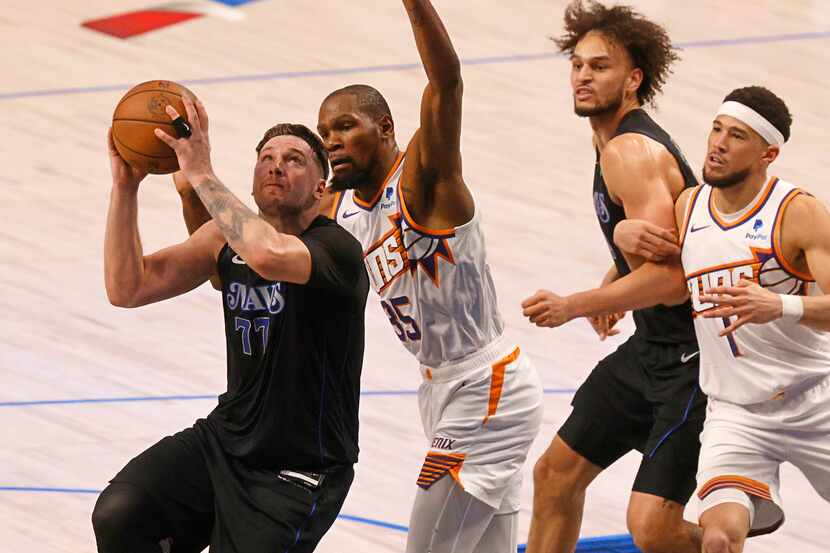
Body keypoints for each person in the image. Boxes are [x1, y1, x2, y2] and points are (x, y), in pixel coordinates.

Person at [178, 1, 543, 551]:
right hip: (440, 387)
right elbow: (245, 263)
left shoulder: (423, 179)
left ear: (387, 129)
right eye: (325, 131)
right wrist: (192, 193)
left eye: (346, 127)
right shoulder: (339, 211)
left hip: (486, 384)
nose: (331, 140)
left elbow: (447, 83)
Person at [555, 86, 830, 553]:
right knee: (718, 539)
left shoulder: (797, 213)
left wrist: (780, 305)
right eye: (716, 129)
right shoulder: (690, 208)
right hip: (737, 414)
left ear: (768, 153)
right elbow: (665, 265)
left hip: (813, 400)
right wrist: (614, 268)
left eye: (737, 136)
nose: (718, 143)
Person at [92, 97, 368, 553]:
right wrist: (125, 187)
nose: (277, 167)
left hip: (299, 471)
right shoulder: (224, 239)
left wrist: (200, 174)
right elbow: (127, 287)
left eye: (294, 160)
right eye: (267, 159)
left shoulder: (336, 250)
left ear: (322, 190)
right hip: (225, 442)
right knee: (120, 514)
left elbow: (268, 255)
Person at [520, 2, 705, 552]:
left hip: (695, 362)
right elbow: (664, 240)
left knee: (653, 529)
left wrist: (578, 302)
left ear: (634, 79)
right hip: (651, 351)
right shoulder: (609, 141)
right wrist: (616, 274)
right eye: (577, 64)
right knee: (555, 475)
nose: (582, 75)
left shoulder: (630, 150)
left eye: (599, 66)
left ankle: (722, 540)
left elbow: (673, 280)